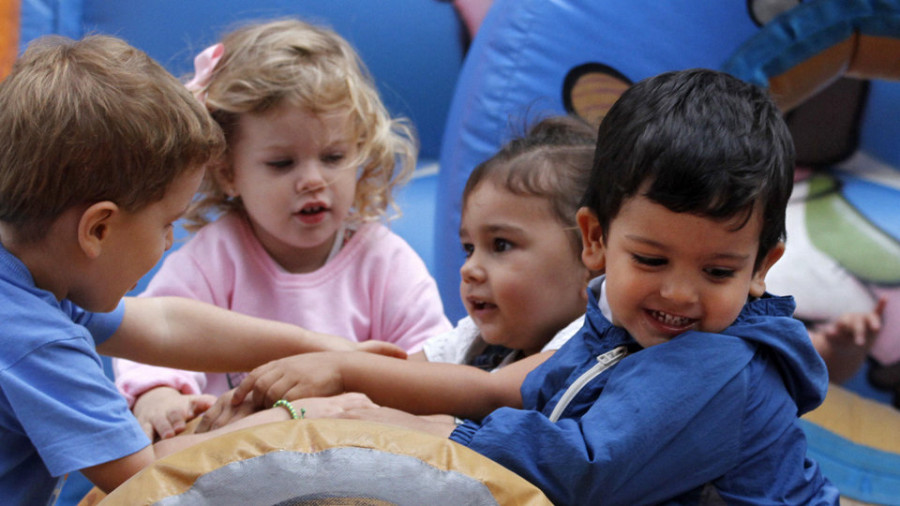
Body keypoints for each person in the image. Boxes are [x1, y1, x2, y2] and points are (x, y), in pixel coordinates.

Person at [330, 69, 841, 504]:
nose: (681, 293)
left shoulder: (721, 365)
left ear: (760, 269)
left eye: (718, 272)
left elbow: (585, 469)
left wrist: (438, 430)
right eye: (651, 259)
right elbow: (544, 395)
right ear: (595, 240)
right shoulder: (612, 323)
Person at [0, 34, 397, 504]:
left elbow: (166, 324)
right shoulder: (37, 341)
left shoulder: (31, 281)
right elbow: (149, 480)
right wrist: (293, 420)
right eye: (166, 224)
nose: (170, 243)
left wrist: (330, 351)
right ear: (99, 230)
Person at [112, 18, 451, 441]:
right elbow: (157, 338)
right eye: (282, 164)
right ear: (228, 171)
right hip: (236, 455)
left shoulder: (384, 262)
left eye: (332, 157)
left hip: (354, 451)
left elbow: (434, 362)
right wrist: (159, 395)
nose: (312, 180)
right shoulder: (216, 258)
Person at [195, 115, 598, 430]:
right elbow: (403, 376)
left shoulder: (592, 338)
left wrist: (339, 369)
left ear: (591, 254)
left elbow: (496, 392)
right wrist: (279, 399)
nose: (471, 268)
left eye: (502, 246)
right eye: (468, 247)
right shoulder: (476, 342)